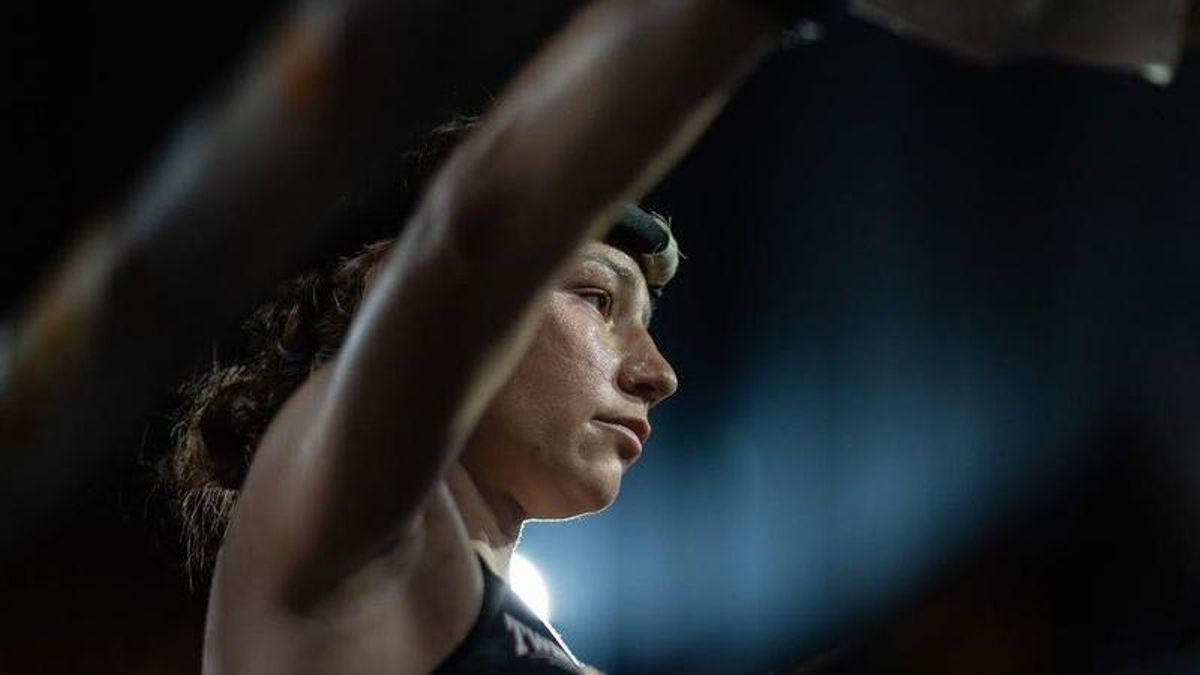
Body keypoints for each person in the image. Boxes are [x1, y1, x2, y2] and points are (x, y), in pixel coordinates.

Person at [154, 0, 806, 672]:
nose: (659, 372)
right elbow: (475, 234)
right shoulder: (334, 514)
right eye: (595, 297)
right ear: (386, 285)